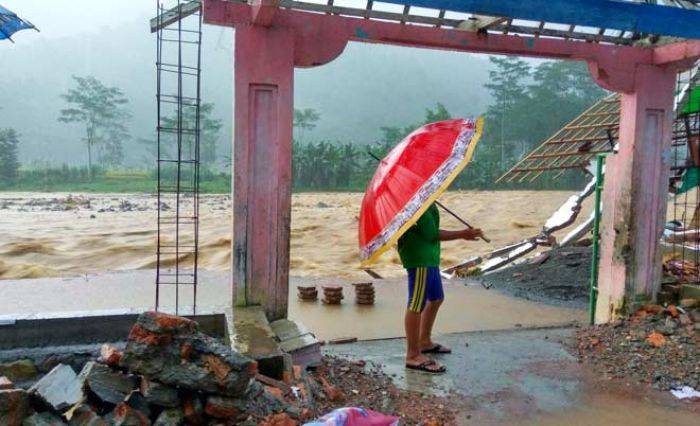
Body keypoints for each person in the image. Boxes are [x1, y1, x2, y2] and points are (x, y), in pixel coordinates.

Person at [398, 202, 482, 373]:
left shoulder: (427, 202)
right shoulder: (416, 204)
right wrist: (463, 234)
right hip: (420, 257)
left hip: (430, 256)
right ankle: (413, 355)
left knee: (436, 298)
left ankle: (424, 341)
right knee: (416, 303)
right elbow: (431, 234)